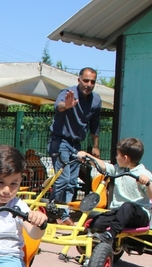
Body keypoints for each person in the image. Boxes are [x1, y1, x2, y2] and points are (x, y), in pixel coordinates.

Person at [76, 137, 152, 243]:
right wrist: (87, 156)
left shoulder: (143, 173)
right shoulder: (117, 169)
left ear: (125, 158)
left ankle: (110, 235)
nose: (116, 157)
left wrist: (148, 183)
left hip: (138, 215)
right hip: (119, 213)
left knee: (127, 206)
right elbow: (103, 166)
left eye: (117, 155)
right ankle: (94, 246)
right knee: (97, 222)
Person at [49, 67, 102, 226]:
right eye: (86, 80)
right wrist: (66, 105)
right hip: (60, 141)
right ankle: (57, 213)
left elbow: (95, 124)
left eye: (92, 81)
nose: (89, 84)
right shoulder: (68, 93)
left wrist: (95, 146)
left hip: (76, 144)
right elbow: (57, 106)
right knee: (63, 179)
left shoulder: (96, 100)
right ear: (79, 80)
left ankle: (59, 212)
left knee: (72, 181)